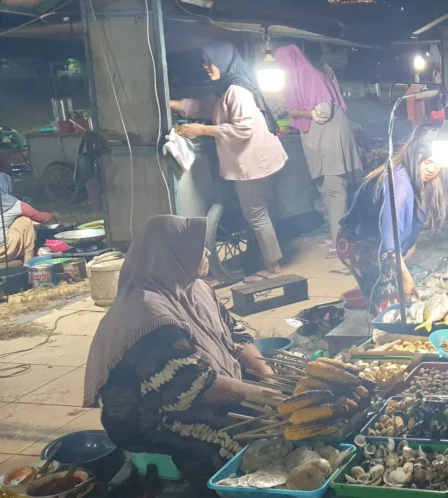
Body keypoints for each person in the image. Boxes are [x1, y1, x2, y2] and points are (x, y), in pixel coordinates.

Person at [83, 215, 278, 497]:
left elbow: (236, 335)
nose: (208, 252)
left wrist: (268, 376)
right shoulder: (147, 314)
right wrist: (269, 397)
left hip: (190, 387)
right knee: (234, 434)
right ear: (171, 254)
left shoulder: (193, 288)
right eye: (198, 247)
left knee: (266, 398)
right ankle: (221, 490)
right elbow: (196, 387)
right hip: (146, 415)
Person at [171, 42, 286, 282]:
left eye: (209, 60)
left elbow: (244, 129)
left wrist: (202, 129)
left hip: (254, 163)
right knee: (259, 211)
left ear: (223, 61)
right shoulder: (227, 88)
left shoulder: (238, 91)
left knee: (256, 213)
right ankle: (267, 258)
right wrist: (175, 104)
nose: (205, 66)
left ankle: (273, 268)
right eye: (203, 61)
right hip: (257, 160)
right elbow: (206, 106)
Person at [336, 125, 448, 312]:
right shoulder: (399, 183)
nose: (432, 169)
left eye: (438, 164)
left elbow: (412, 218)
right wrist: (405, 276)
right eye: (427, 162)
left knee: (398, 290)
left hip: (384, 244)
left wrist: (410, 244)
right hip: (359, 241)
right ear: (415, 157)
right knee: (388, 303)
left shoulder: (423, 178)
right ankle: (385, 336)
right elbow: (390, 237)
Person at [273, 44, 362, 246]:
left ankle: (342, 244)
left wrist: (300, 113)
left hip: (328, 141)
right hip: (320, 141)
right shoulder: (301, 76)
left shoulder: (307, 76)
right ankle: (338, 237)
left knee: (334, 190)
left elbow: (322, 112)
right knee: (326, 190)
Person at [0, 172, 55, 264]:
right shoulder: (12, 203)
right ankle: (29, 262)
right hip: (3, 250)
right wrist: (53, 215)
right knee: (25, 221)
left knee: (16, 221)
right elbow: (42, 218)